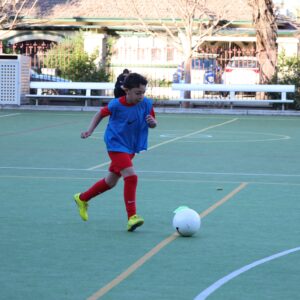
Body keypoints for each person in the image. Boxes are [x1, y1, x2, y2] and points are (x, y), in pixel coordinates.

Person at [74, 73, 157, 232]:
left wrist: (153, 123)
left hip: (130, 146)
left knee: (110, 182)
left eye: (143, 93)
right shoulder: (116, 105)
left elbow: (152, 123)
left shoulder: (146, 103)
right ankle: (132, 217)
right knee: (131, 177)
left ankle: (82, 198)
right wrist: (89, 131)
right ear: (127, 90)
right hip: (115, 144)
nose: (141, 96)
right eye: (138, 93)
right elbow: (100, 114)